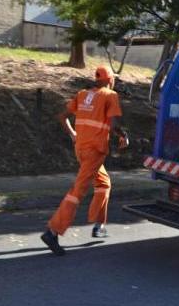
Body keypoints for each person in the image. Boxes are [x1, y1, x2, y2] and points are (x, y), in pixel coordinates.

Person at [40, 66, 129, 256]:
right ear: (109, 80)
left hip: (80, 148)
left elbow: (62, 117)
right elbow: (113, 124)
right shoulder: (110, 95)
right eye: (113, 79)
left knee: (104, 183)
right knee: (77, 191)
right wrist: (124, 136)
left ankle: (99, 224)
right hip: (95, 151)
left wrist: (73, 134)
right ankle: (52, 231)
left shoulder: (82, 94)